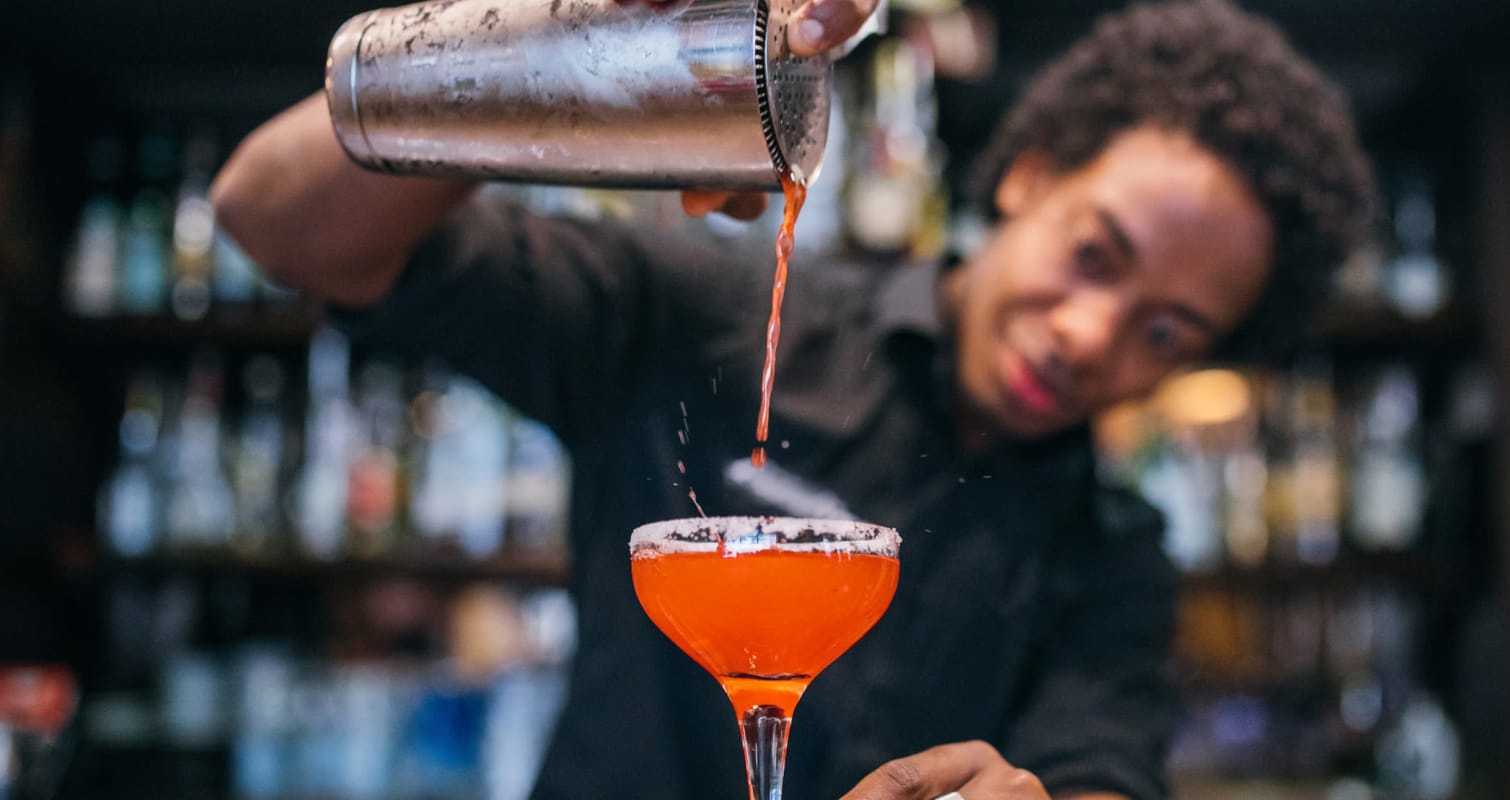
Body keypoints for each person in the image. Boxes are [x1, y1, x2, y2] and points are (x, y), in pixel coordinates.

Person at [213, 0, 1373, 797]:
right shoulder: (701, 312)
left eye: (1164, 329)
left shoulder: (1110, 552)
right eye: (1095, 253)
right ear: (1029, 176)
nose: (1087, 334)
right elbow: (275, 219)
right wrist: (568, 44)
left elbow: (1098, 766)